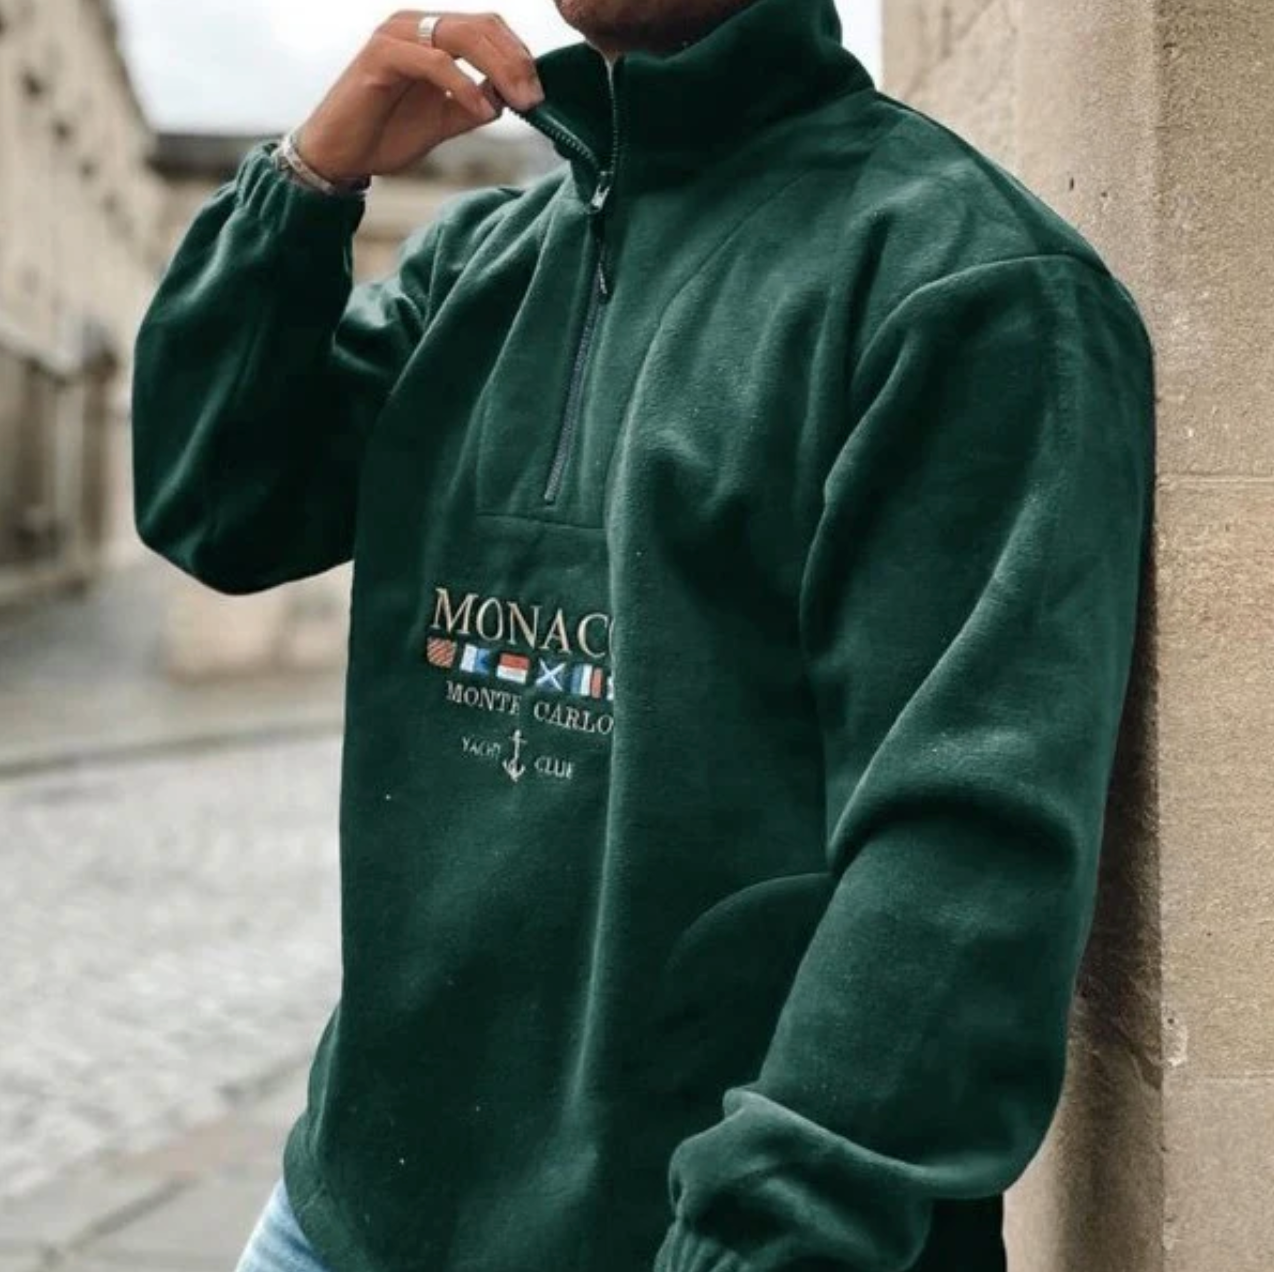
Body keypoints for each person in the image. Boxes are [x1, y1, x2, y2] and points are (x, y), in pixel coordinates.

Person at [130, 1, 1156, 1270]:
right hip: (345, 1211)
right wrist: (303, 186)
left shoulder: (965, 282)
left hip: (683, 1237)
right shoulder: (484, 260)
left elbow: (963, 854)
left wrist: (756, 1237)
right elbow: (216, 500)